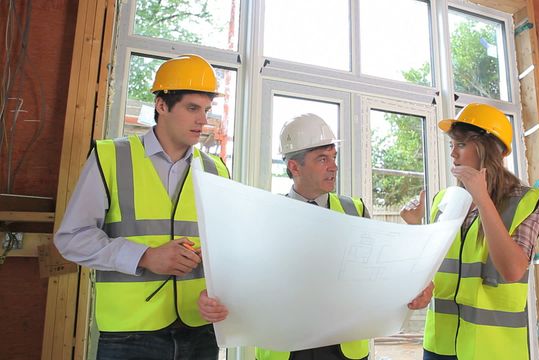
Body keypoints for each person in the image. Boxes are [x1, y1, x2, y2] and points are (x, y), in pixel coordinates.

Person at [198, 113, 432, 360]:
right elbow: (240, 277)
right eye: (322, 159)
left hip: (343, 347)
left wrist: (414, 286)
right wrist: (211, 297)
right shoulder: (264, 215)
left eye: (334, 157)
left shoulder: (354, 210)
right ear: (294, 166)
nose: (333, 166)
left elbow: (381, 271)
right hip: (285, 347)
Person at [54, 54, 230, 360]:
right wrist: (145, 256)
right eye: (192, 108)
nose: (203, 120)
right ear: (162, 106)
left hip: (201, 330)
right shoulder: (111, 157)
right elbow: (72, 239)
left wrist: (220, 295)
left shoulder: (217, 170)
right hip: (130, 335)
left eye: (206, 110)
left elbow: (230, 251)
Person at [400, 103, 539, 360]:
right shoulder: (445, 200)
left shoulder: (526, 201)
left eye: (460, 145)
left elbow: (512, 270)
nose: (453, 154)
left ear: (489, 149)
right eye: (452, 145)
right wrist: (415, 226)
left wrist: (482, 199)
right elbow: (434, 264)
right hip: (439, 346)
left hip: (492, 350)